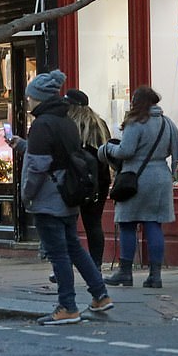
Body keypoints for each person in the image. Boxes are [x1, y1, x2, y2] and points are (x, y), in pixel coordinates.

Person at [8, 69, 113, 325]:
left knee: (59, 254)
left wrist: (26, 195)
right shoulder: (66, 121)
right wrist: (23, 144)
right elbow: (58, 155)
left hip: (48, 198)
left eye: (30, 97)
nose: (28, 102)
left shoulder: (42, 124)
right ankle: (100, 294)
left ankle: (67, 305)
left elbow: (37, 166)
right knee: (74, 248)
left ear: (40, 99)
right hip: (68, 195)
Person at [98, 86, 178, 288]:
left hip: (136, 177)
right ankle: (155, 275)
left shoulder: (136, 123)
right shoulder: (168, 123)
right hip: (161, 177)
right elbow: (176, 154)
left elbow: (126, 151)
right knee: (154, 224)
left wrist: (108, 147)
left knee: (127, 223)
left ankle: (125, 272)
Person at [47, 89, 112, 283]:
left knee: (68, 225)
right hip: (98, 180)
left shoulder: (69, 124)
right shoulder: (99, 124)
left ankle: (62, 268)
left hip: (73, 180)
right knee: (94, 225)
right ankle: (96, 267)